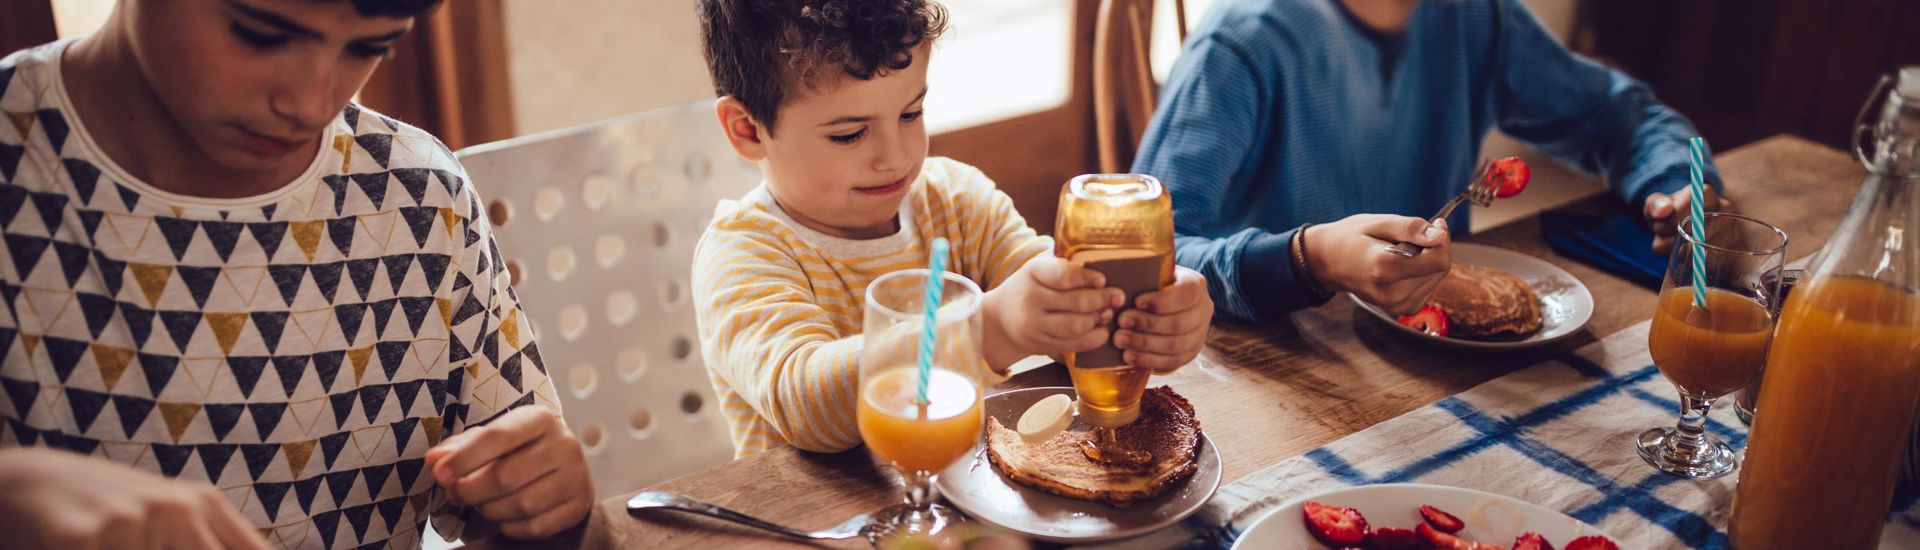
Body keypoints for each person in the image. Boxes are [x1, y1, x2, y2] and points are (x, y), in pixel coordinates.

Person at [0, 0, 593, 547]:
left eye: (369, 47)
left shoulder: (418, 196)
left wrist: (542, 496)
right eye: (260, 35)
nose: (310, 103)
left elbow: (510, 490)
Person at [691, 0, 1216, 458]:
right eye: (850, 135)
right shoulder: (742, 252)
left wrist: (1144, 311)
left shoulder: (957, 201)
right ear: (747, 130)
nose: (896, 157)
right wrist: (989, 330)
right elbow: (807, 405)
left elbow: (1055, 293)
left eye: (911, 112)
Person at [1132, 0, 1730, 323]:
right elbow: (1147, 251)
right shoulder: (1245, 44)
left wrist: (1674, 182)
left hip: (1446, 365)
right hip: (1282, 369)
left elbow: (1615, 114)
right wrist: (1305, 259)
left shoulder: (1475, 17)